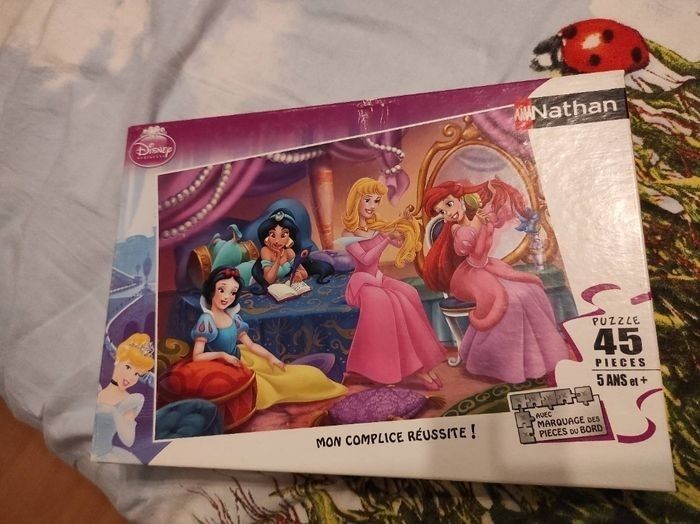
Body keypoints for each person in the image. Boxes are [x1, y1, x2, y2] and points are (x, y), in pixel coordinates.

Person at [422, 179, 570, 384]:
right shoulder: (457, 229)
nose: (449, 212)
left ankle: (537, 359)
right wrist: (478, 222)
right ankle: (500, 363)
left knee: (529, 289)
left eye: (449, 204)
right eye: (442, 211)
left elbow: (492, 231)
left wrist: (487, 213)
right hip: (467, 276)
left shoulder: (478, 217)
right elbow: (467, 250)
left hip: (486, 268)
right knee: (511, 299)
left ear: (460, 199)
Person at [340, 177, 446, 390]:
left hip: (378, 278)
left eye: (376, 201)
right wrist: (385, 238)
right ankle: (403, 370)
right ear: (356, 200)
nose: (372, 206)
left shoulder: (377, 225)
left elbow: (398, 241)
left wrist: (404, 225)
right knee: (388, 300)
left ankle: (423, 363)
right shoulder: (348, 233)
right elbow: (365, 259)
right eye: (367, 200)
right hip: (361, 284)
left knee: (409, 292)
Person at [192, 266, 346, 409]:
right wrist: (223, 355)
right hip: (226, 367)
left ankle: (315, 380)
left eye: (232, 292)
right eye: (221, 290)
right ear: (211, 290)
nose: (227, 297)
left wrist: (271, 358)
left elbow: (251, 345)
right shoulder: (207, 320)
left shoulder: (233, 318)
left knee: (296, 374)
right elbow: (197, 356)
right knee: (272, 387)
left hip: (245, 358)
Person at [92, 332, 155, 463]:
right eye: (128, 367)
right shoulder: (98, 388)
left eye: (137, 373)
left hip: (103, 458)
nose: (131, 377)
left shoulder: (129, 401)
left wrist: (114, 412)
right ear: (118, 360)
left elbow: (129, 440)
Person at [250, 208, 333, 293]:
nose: (277, 241)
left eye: (283, 235)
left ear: (289, 238)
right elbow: (269, 280)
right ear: (267, 237)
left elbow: (304, 272)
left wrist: (299, 275)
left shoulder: (289, 252)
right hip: (261, 282)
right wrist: (278, 257)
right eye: (273, 235)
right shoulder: (265, 251)